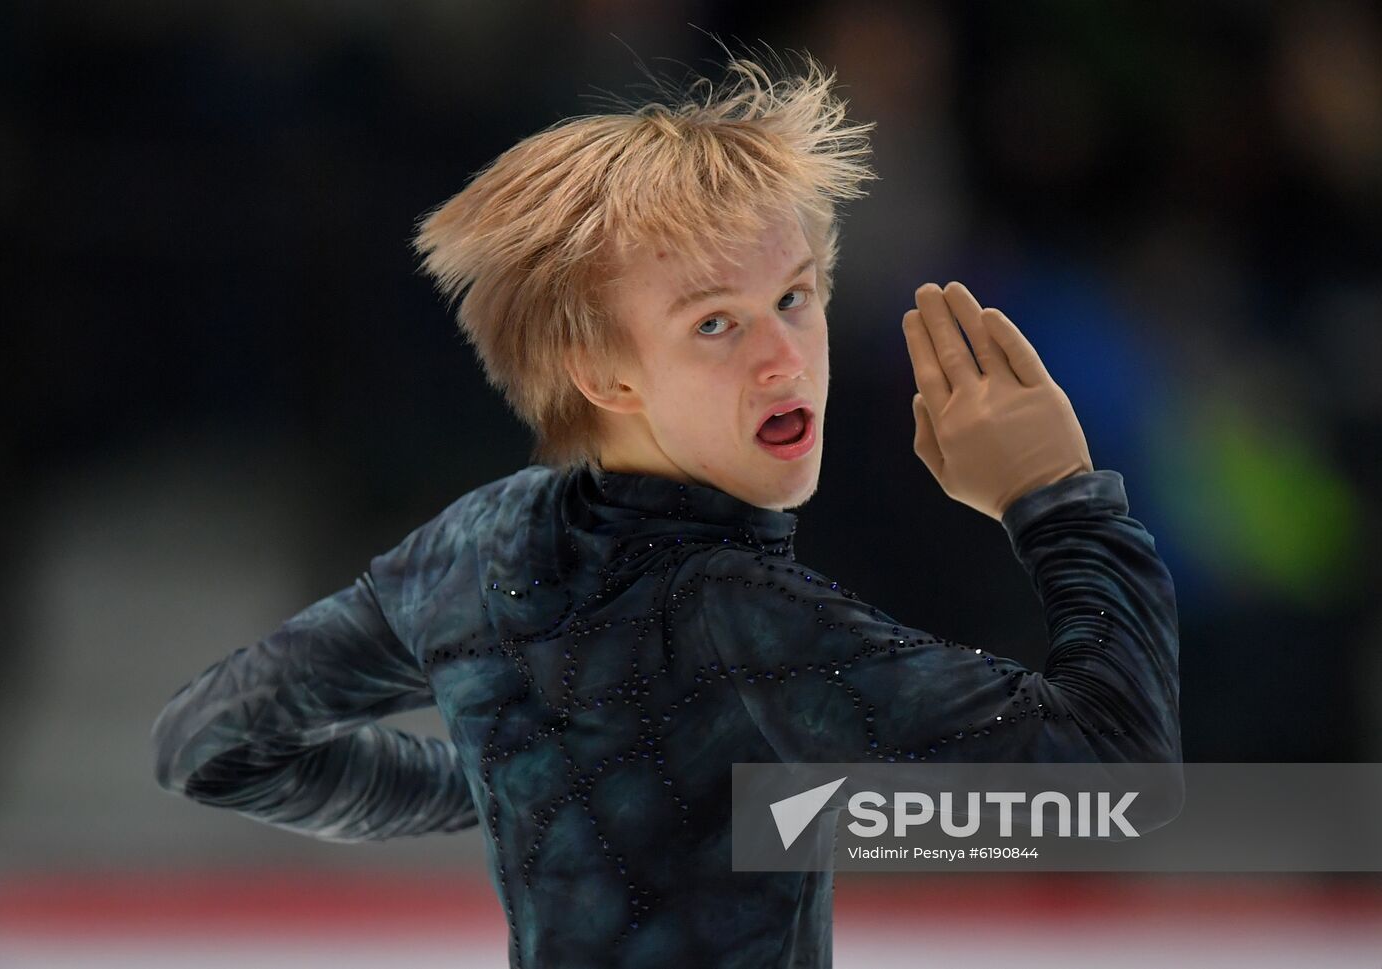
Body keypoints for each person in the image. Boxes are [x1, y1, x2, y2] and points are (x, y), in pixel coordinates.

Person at [151, 51, 1180, 969]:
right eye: (713, 322)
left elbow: (210, 740)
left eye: (793, 296)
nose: (782, 357)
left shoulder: (473, 549)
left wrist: (530, 778)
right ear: (600, 372)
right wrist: (1054, 501)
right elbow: (1116, 797)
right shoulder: (732, 611)